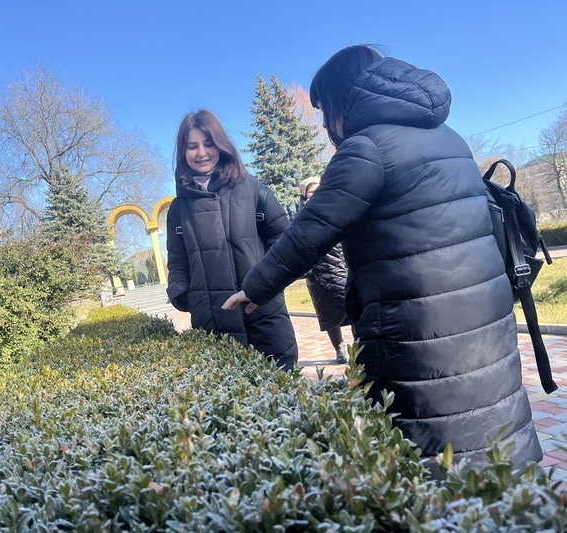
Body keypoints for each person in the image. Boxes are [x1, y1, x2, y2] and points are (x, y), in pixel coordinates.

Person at [222, 46, 542, 477]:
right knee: (492, 421)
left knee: (430, 446)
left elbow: (311, 230)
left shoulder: (367, 148)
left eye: (323, 109)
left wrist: (255, 287)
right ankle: (510, 506)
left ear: (341, 98)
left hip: (416, 325)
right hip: (485, 311)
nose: (325, 122)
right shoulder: (448, 136)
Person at [166, 109, 298, 371]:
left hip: (264, 318)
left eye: (208, 143)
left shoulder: (254, 189)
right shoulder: (177, 209)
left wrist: (265, 286)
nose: (201, 153)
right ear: (183, 152)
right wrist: (183, 295)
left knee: (281, 391)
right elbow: (178, 261)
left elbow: (284, 243)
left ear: (221, 144)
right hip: (211, 326)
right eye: (192, 146)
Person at [298, 176, 349, 364]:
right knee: (329, 314)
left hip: (345, 267)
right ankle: (339, 348)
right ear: (305, 196)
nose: (316, 194)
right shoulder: (302, 218)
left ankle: (360, 345)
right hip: (320, 273)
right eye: (312, 192)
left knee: (356, 309)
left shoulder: (339, 209)